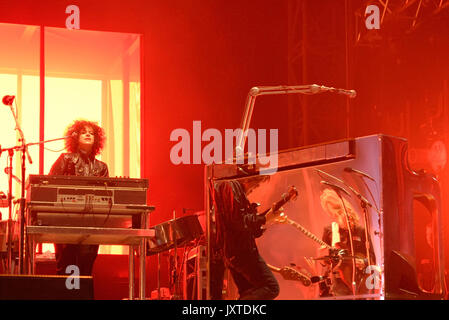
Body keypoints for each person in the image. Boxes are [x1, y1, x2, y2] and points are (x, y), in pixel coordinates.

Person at [49, 120, 108, 276]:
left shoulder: (101, 167)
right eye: (83, 132)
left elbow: (106, 198)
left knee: (86, 268)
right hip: (65, 222)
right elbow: (49, 188)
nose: (88, 134)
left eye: (91, 132)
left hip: (92, 224)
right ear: (74, 137)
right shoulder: (65, 159)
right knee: (66, 267)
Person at [211, 178, 280, 300]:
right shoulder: (231, 186)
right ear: (249, 178)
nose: (254, 189)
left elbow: (239, 222)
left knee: (248, 291)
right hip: (242, 250)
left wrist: (265, 219)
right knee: (271, 287)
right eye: (256, 184)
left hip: (233, 251)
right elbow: (239, 221)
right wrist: (264, 219)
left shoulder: (226, 186)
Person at [317, 188, 376, 297]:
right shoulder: (330, 230)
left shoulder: (361, 230)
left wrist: (363, 262)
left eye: (338, 211)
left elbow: (372, 257)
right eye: (333, 213)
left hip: (360, 281)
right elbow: (326, 262)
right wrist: (322, 257)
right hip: (339, 282)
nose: (336, 215)